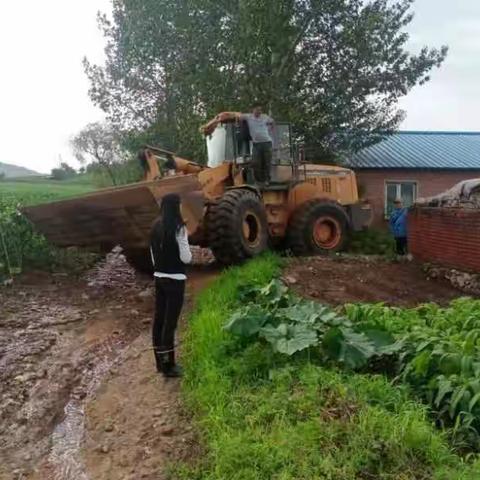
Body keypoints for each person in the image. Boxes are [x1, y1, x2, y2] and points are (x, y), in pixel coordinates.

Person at [150, 193, 192, 378]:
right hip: (175, 279)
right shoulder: (179, 228)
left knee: (159, 320)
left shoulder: (154, 226)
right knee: (170, 323)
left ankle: (160, 363)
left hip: (159, 277)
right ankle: (170, 366)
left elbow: (152, 256)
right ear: (176, 207)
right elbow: (186, 257)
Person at [239, 103, 275, 185]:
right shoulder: (248, 117)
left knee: (267, 162)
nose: (259, 112)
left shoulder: (265, 117)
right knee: (255, 162)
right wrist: (241, 125)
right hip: (256, 144)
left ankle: (267, 180)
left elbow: (272, 121)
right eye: (257, 110)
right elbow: (239, 117)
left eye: (260, 110)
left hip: (266, 143)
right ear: (253, 110)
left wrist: (270, 129)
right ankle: (259, 180)